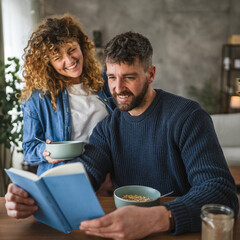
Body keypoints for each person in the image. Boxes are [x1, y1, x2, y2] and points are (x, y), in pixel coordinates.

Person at [5, 31, 239, 239]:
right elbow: (84, 175)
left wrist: (157, 218)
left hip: (178, 231)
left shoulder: (187, 116)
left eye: (129, 77)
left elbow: (221, 192)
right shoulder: (108, 128)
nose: (118, 88)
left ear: (150, 74)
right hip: (125, 232)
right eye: (112, 77)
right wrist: (32, 196)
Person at [18, 14, 115, 195]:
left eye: (71, 50)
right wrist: (46, 151)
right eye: (58, 57)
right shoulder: (39, 98)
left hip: (109, 181)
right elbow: (30, 150)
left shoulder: (104, 82)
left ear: (81, 46)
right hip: (65, 184)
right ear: (48, 63)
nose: (70, 61)